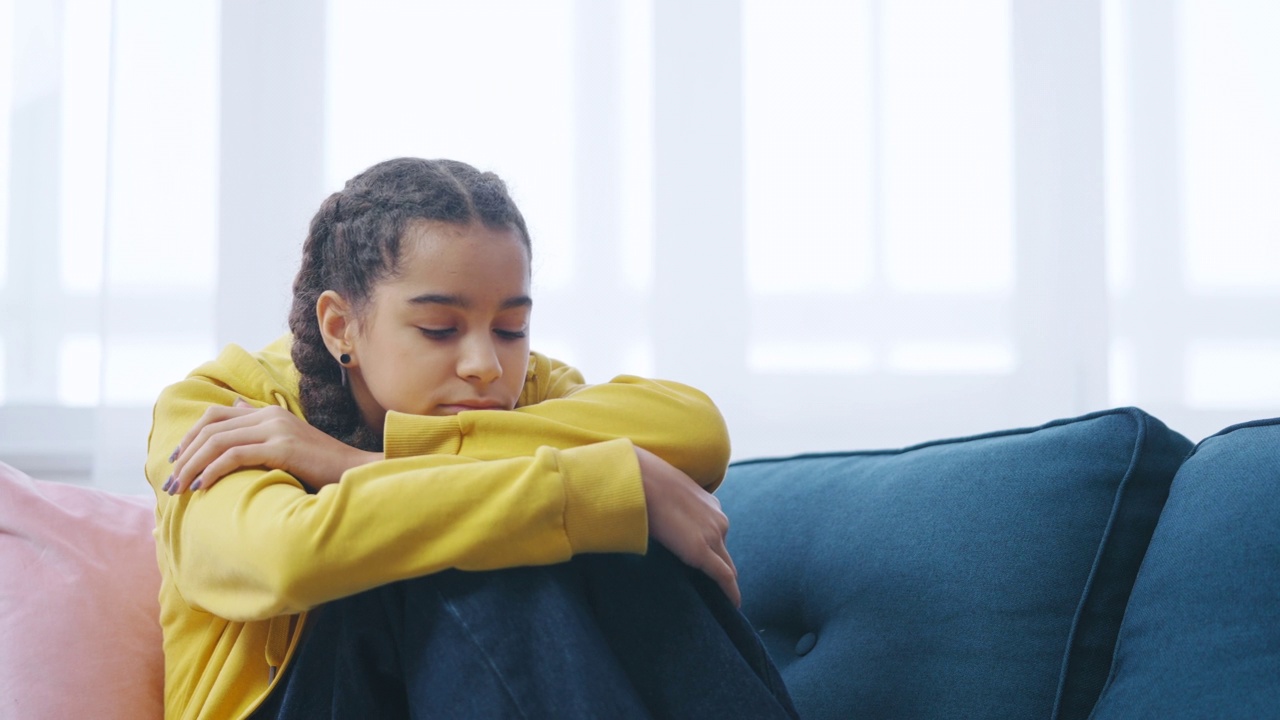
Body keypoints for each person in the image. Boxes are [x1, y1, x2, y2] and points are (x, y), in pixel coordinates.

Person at [146, 157, 798, 719]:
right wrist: (608, 485)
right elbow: (286, 554)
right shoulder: (219, 409)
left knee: (566, 523)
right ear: (341, 326)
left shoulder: (526, 389)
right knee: (470, 539)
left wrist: (359, 461)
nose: (485, 363)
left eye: (511, 329)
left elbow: (695, 431)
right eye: (439, 328)